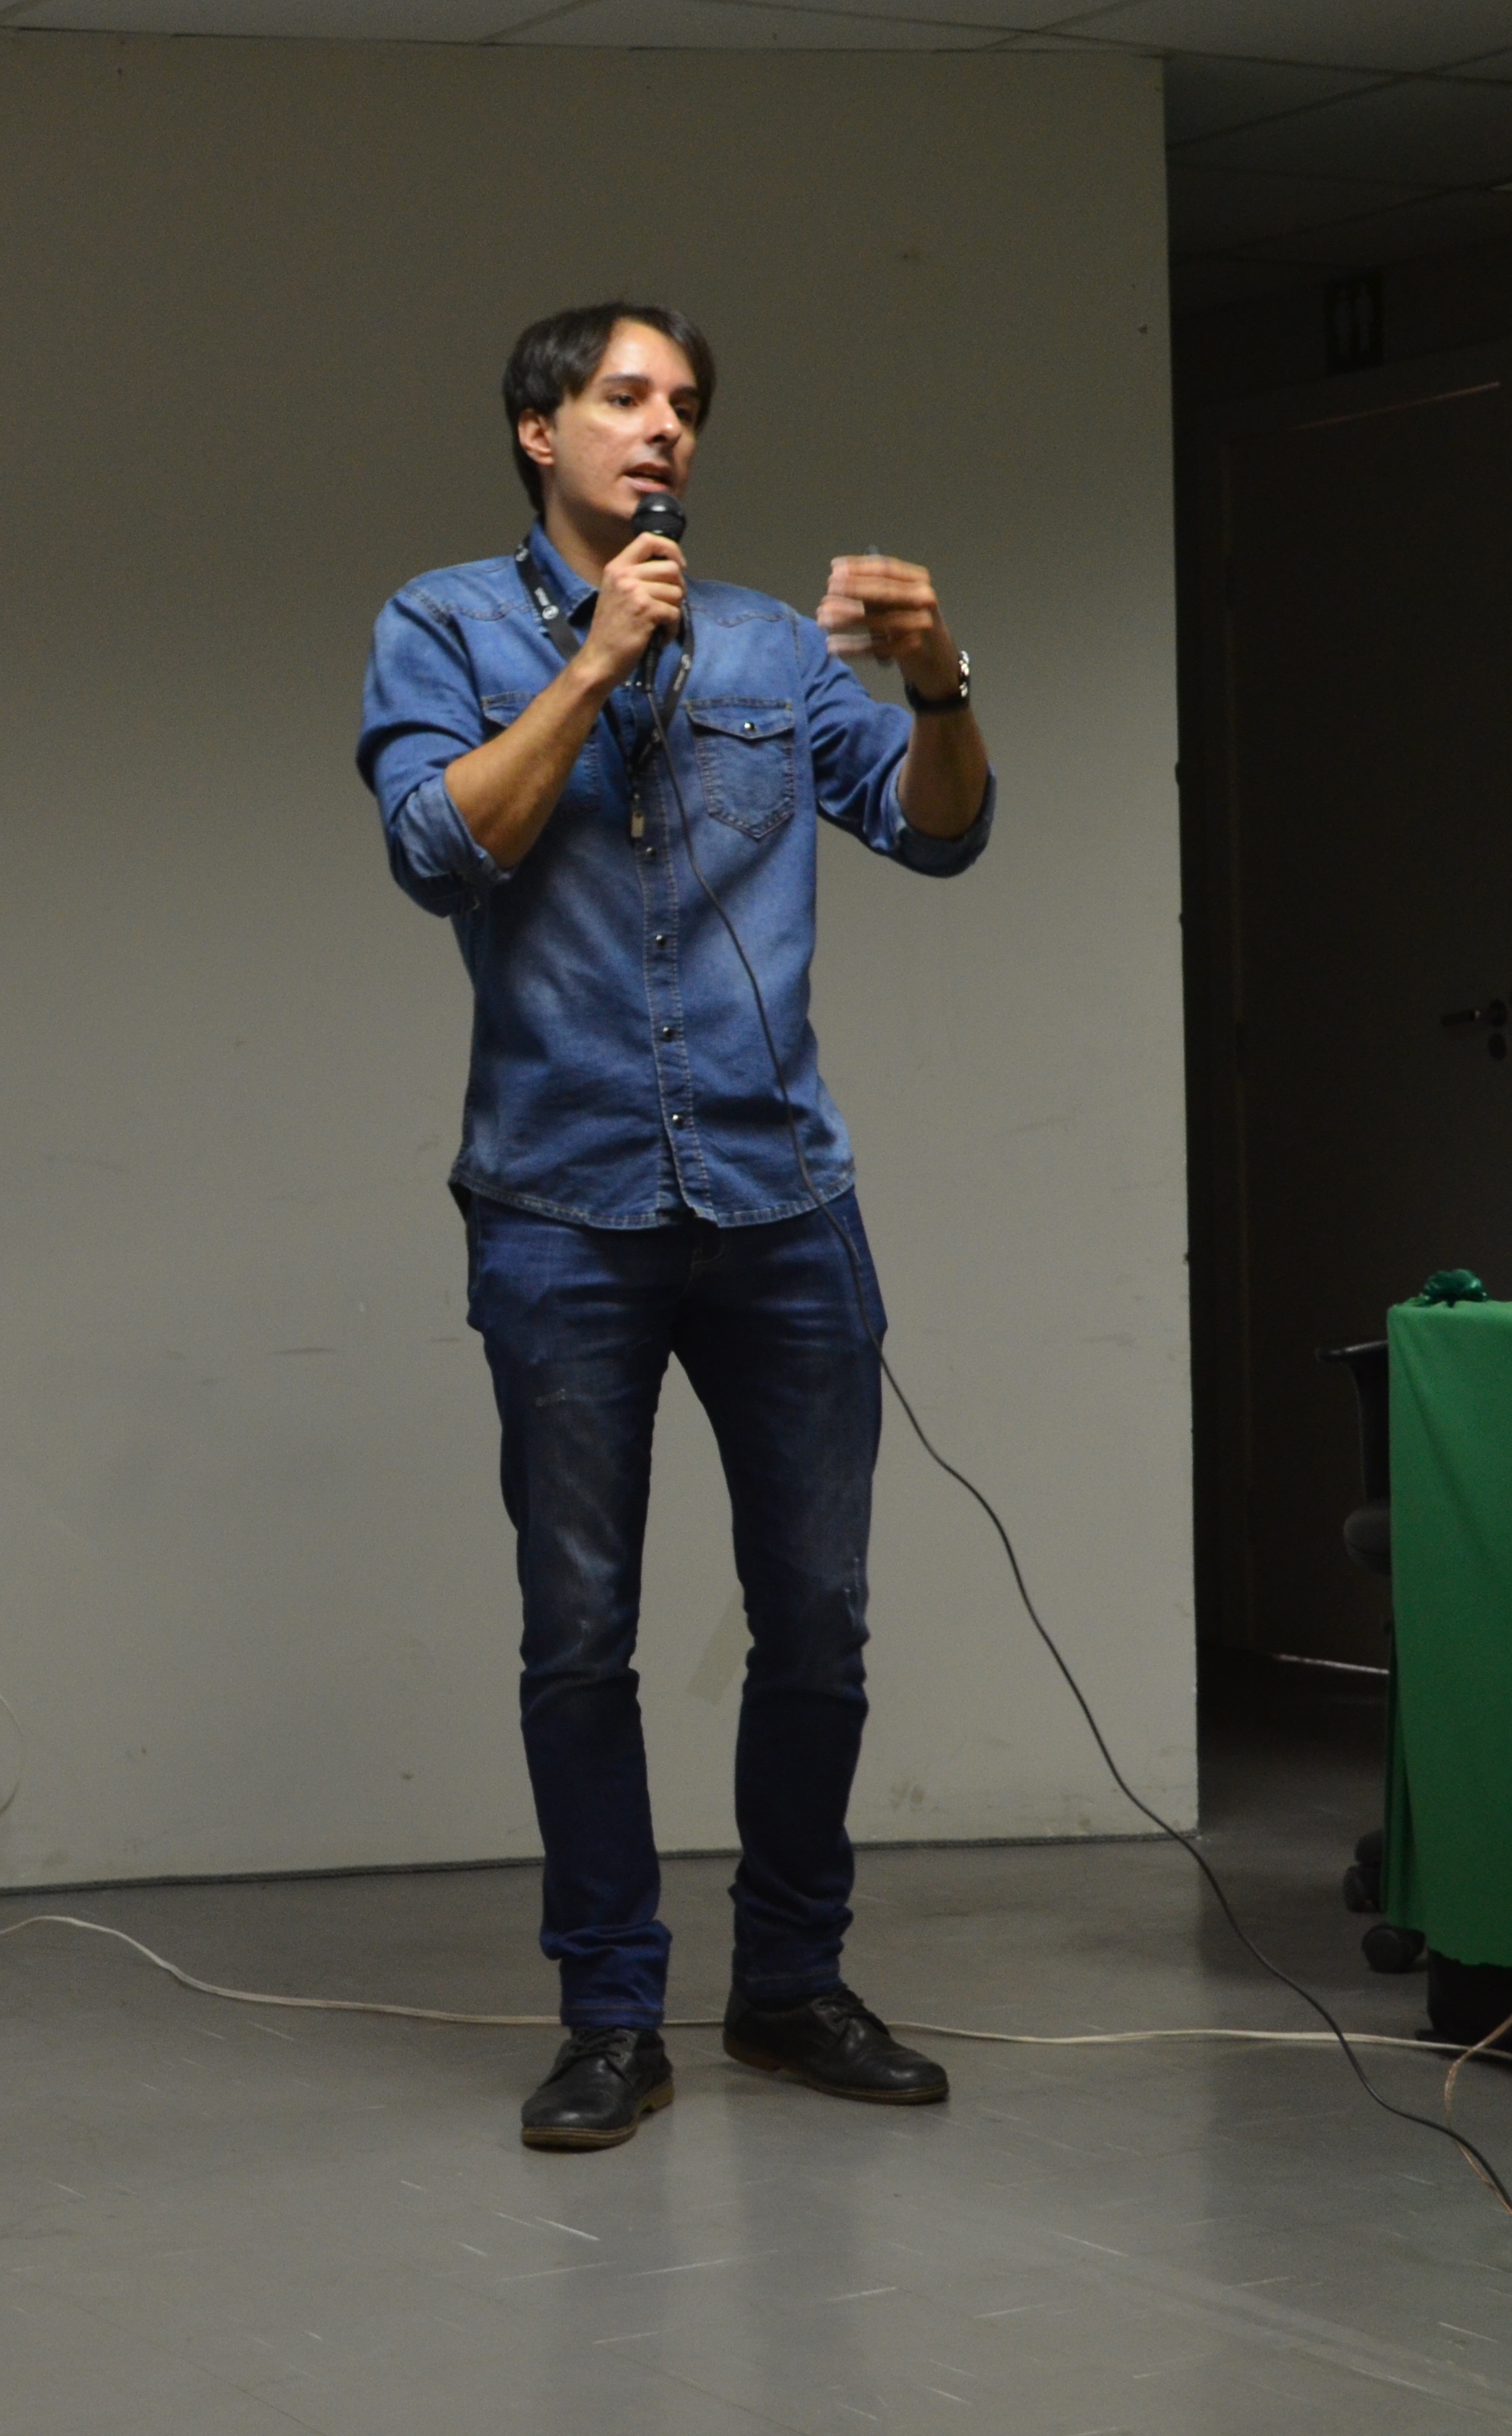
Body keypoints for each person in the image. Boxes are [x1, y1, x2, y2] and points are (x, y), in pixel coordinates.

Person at [354, 306, 994, 2150]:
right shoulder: (443, 627)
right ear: (536, 428)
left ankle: (790, 1986)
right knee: (580, 1635)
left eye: (688, 407)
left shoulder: (775, 651)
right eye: (627, 398)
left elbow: (938, 831)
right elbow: (435, 849)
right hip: (562, 1212)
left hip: (783, 1205)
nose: (666, 432)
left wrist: (939, 684)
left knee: (818, 1623)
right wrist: (593, 665)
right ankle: (608, 2017)